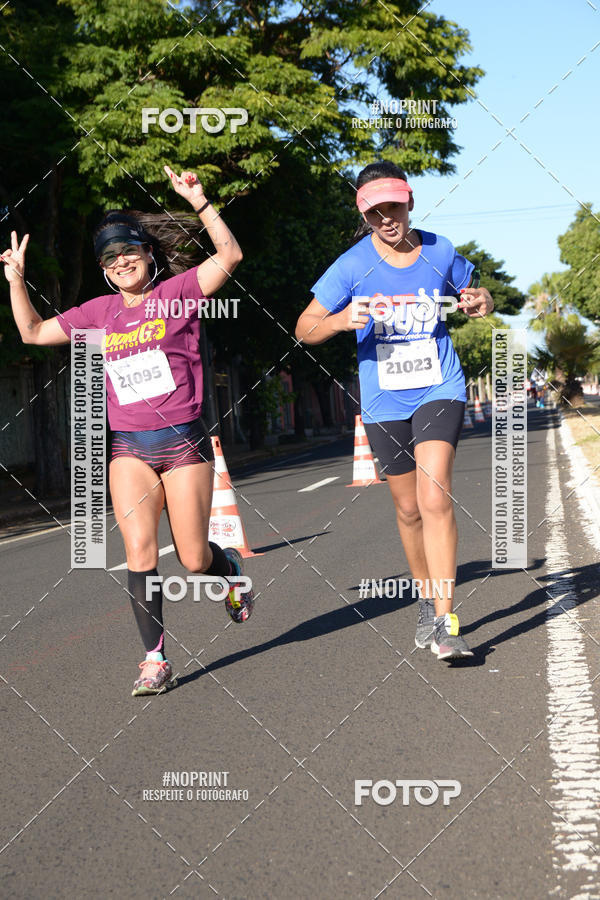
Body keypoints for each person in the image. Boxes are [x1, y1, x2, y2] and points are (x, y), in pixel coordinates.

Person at [2, 165, 254, 695]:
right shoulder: (98, 313)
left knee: (191, 558)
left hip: (183, 444)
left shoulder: (179, 295)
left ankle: (227, 567)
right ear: (104, 270)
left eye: (130, 253)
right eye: (111, 259)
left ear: (148, 256)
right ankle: (154, 659)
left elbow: (228, 256)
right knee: (139, 552)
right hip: (128, 451)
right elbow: (29, 332)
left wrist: (200, 200)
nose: (121, 263)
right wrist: (16, 280)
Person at [295, 161, 494, 660]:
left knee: (434, 498)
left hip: (438, 387)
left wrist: (480, 300)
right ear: (364, 215)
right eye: (375, 212)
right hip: (384, 398)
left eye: (394, 207)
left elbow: (476, 290)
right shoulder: (350, 266)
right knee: (407, 510)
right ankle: (427, 599)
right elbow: (304, 327)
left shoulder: (440, 250)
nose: (387, 219)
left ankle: (447, 620)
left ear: (410, 202)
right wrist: (340, 320)